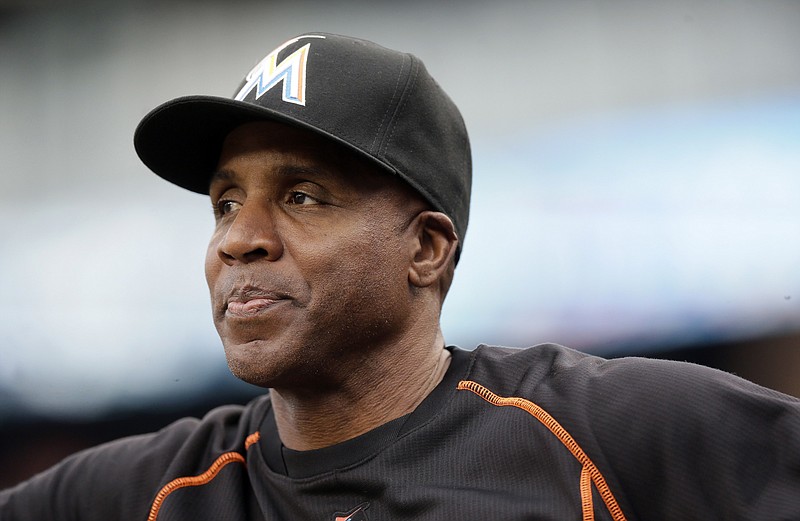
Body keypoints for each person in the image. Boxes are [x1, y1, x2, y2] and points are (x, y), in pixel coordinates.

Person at [1, 32, 798, 521]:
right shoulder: (151, 490)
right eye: (224, 203)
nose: (239, 240)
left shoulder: (609, 429)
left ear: (426, 249)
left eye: (302, 196)